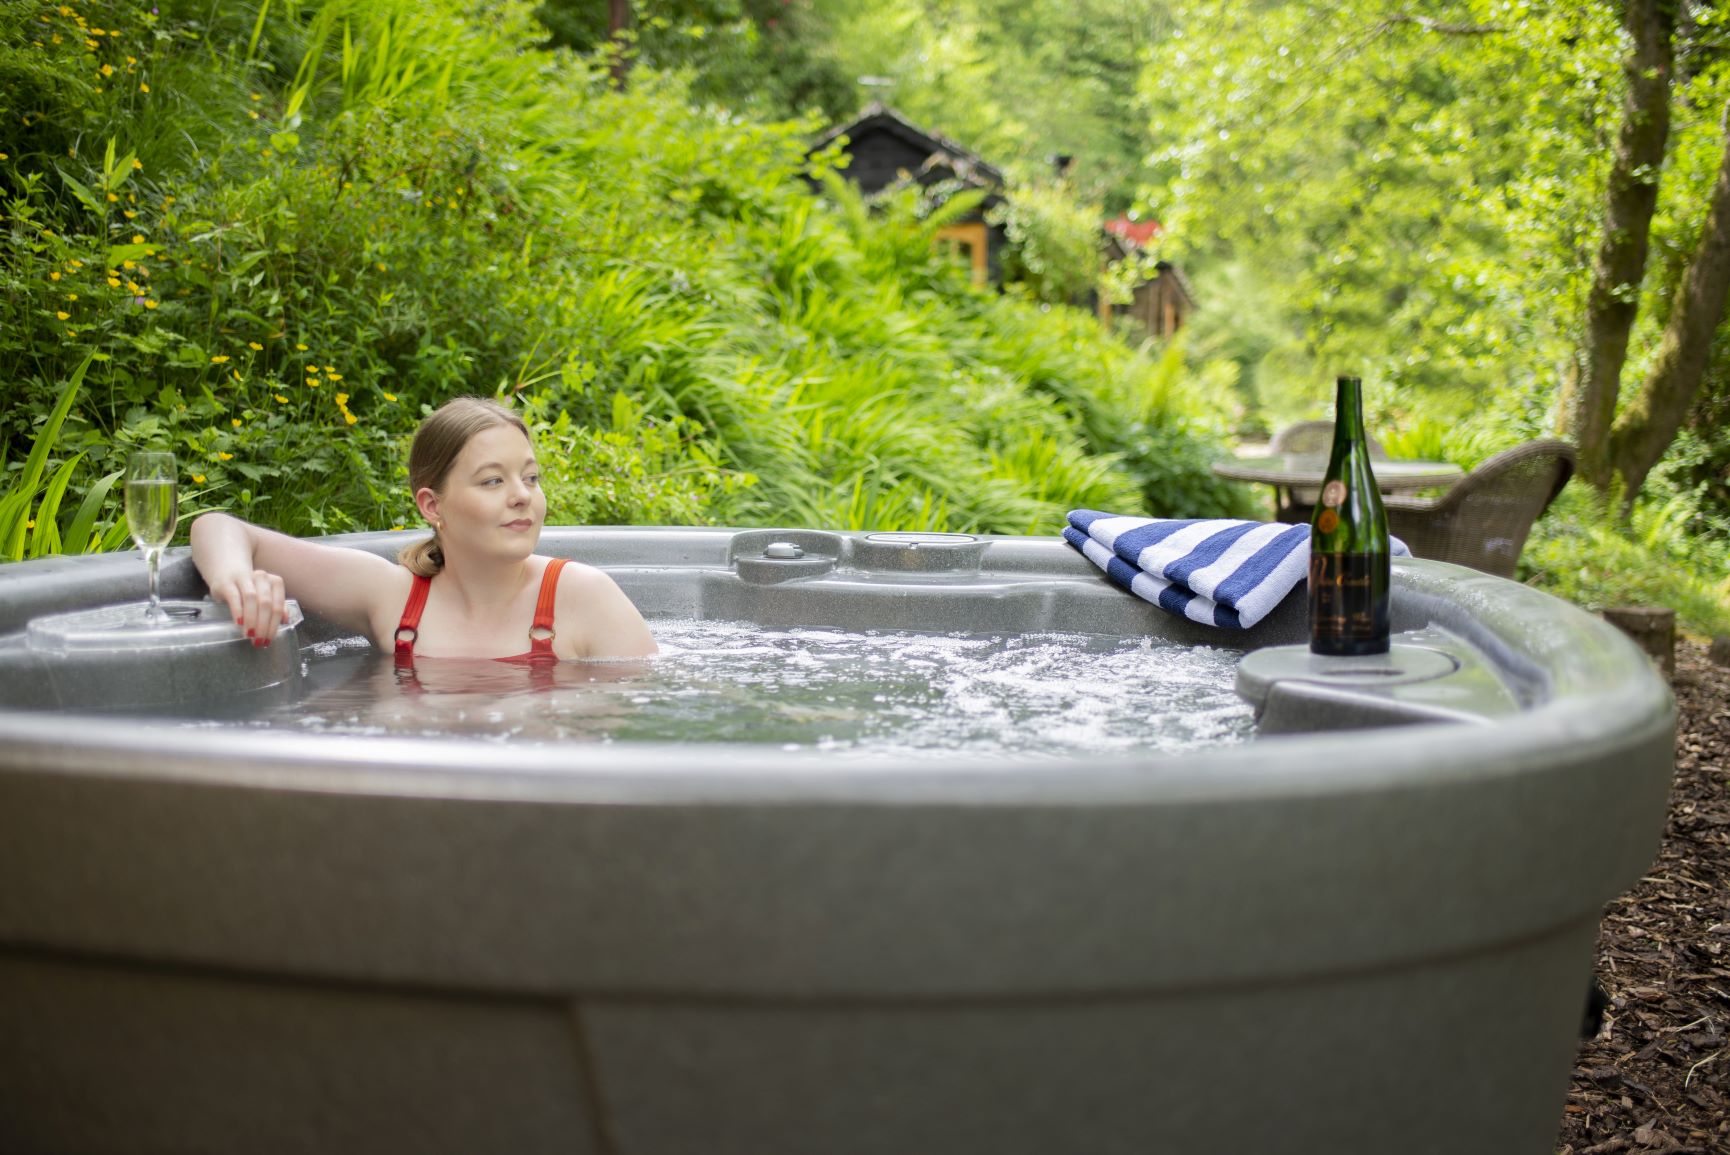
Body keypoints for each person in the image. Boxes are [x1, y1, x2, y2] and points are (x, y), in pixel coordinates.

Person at [190, 396, 658, 661]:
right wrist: (235, 579)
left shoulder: (582, 596)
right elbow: (218, 527)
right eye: (493, 480)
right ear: (433, 505)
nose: (522, 495)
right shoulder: (392, 596)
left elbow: (647, 723)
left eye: (530, 477)